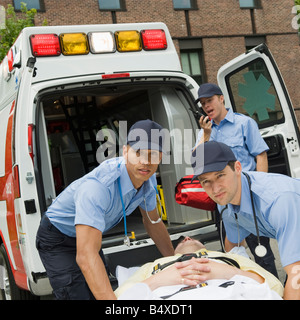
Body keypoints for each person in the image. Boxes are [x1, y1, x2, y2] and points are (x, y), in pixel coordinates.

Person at [36, 119, 174, 300]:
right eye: (138, 152)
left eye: (153, 154)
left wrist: (173, 260)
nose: (145, 161)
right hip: (58, 238)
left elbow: (152, 222)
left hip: (89, 233)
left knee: (99, 288)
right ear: (125, 151)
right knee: (77, 294)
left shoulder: (148, 179)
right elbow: (86, 256)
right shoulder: (98, 187)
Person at [191, 140, 300, 300]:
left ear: (237, 168)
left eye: (220, 175)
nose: (215, 189)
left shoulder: (278, 200)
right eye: (206, 181)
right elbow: (232, 244)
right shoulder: (225, 202)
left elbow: (297, 274)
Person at [193, 83, 277, 277]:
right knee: (230, 254)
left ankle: (273, 292)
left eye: (210, 100)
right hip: (223, 200)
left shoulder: (244, 123)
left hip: (249, 197)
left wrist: (260, 189)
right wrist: (206, 135)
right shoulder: (204, 131)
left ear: (221, 98)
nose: (206, 106)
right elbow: (197, 162)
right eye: (203, 103)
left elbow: (260, 156)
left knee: (261, 252)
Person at [115, 236, 283, 300]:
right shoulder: (154, 266)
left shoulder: (229, 259)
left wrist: (230, 272)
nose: (186, 237)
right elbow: (117, 297)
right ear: (173, 253)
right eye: (181, 240)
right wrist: (158, 280)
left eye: (192, 237)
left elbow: (275, 286)